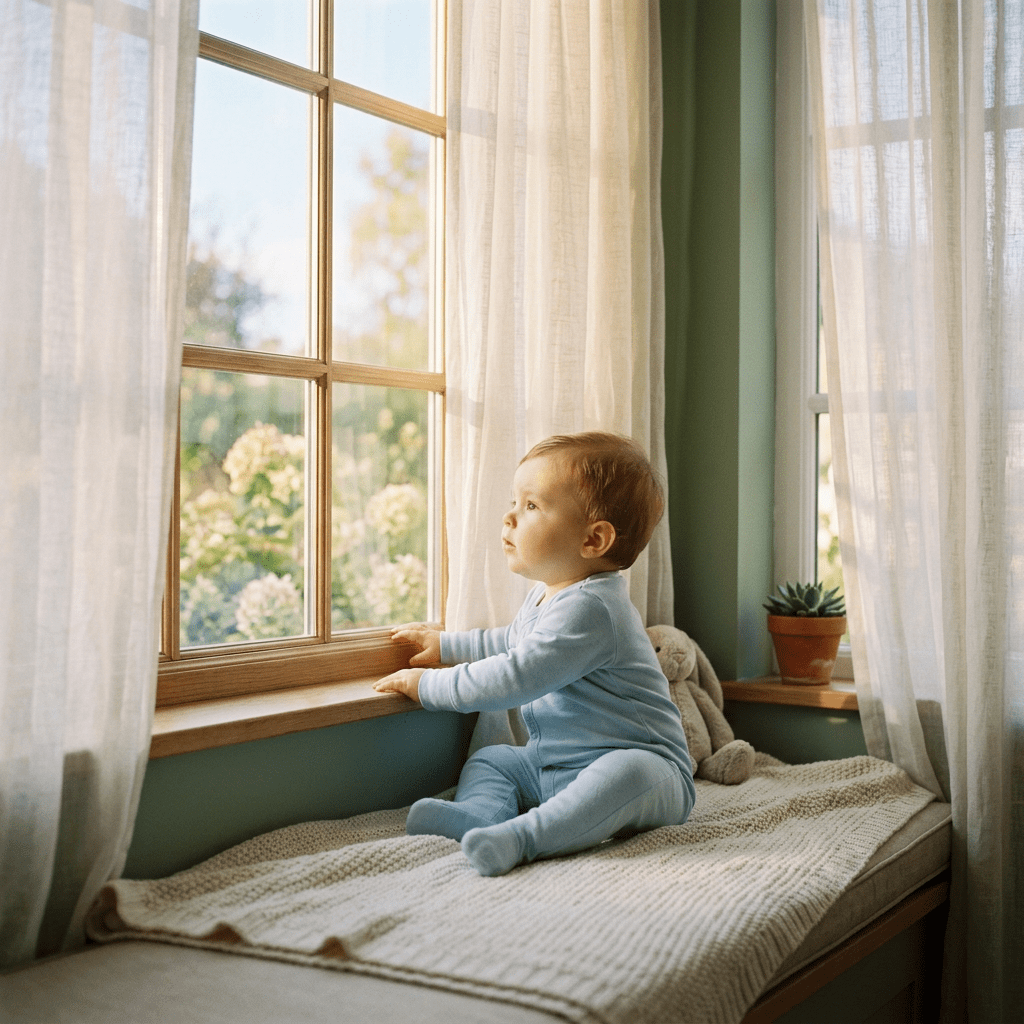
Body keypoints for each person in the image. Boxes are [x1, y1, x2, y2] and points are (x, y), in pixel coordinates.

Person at [373, 431, 695, 876]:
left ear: (593, 540)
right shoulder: (551, 595)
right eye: (513, 501)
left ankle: (524, 838)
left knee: (626, 772)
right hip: (554, 766)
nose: (509, 517)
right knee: (496, 758)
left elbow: (516, 674)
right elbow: (509, 642)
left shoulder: (593, 608)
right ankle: (480, 815)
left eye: (531, 506)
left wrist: (430, 687)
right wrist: (446, 645)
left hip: (654, 775)